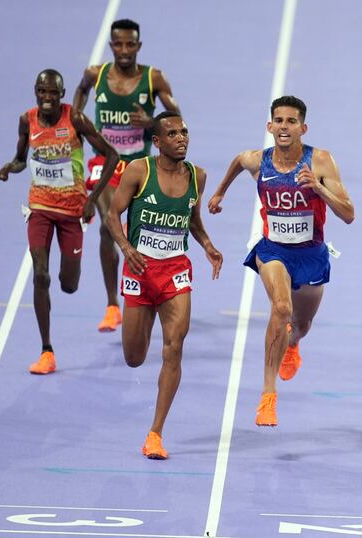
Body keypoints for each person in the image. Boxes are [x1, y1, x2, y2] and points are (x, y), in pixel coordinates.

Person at [208, 96, 355, 427]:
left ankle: (293, 345)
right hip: (273, 251)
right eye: (279, 120)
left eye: (291, 122)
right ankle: (267, 395)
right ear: (269, 126)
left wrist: (317, 188)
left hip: (312, 254)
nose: (284, 127)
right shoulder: (258, 161)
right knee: (282, 308)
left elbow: (348, 215)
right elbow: (237, 161)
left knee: (301, 325)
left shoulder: (320, 161)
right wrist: (219, 193)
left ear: (303, 127)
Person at [106, 111, 223, 459]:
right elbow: (113, 215)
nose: (181, 138)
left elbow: (193, 219)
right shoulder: (139, 171)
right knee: (133, 358)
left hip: (175, 272)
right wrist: (126, 248)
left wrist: (208, 246)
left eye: (184, 132)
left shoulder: (197, 176)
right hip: (140, 270)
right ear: (157, 142)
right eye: (172, 134)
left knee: (174, 347)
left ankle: (155, 433)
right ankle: (137, 355)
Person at [0, 69, 119, 375]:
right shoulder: (27, 120)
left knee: (68, 284)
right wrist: (9, 168)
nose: (48, 98)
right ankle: (47, 350)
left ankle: (68, 275)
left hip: (71, 213)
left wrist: (92, 199)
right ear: (36, 93)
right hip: (39, 208)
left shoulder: (74, 119)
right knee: (41, 275)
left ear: (62, 94)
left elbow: (112, 155)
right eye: (43, 92)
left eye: (54, 93)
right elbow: (22, 158)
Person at [73, 18, 180, 332]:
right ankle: (111, 305)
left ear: (138, 46)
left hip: (140, 168)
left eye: (129, 44)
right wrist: (77, 120)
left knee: (142, 235)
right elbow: (79, 93)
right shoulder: (96, 74)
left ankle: (146, 296)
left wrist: (151, 122)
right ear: (111, 46)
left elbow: (176, 120)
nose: (123, 50)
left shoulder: (153, 78)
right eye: (117, 44)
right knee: (109, 225)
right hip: (107, 165)